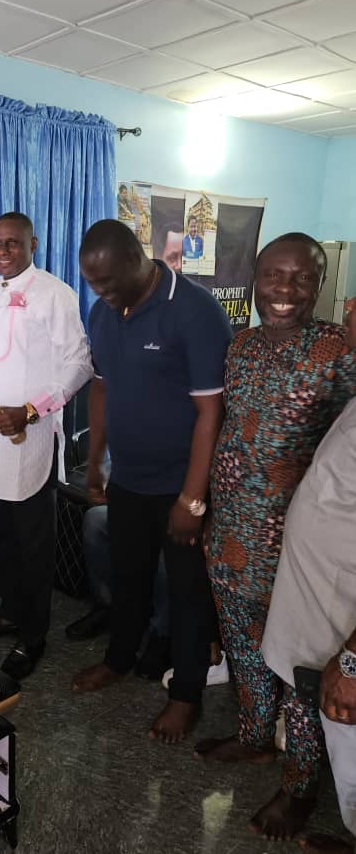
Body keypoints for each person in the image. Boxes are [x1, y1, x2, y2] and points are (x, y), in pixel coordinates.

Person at [197, 233, 356, 841]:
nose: (285, 290)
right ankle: (254, 738)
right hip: (230, 534)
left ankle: (299, 786)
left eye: (302, 278)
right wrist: (209, 512)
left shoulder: (338, 351)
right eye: (273, 275)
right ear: (255, 277)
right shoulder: (240, 346)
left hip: (298, 552)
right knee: (244, 650)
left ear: (320, 285)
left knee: (299, 672)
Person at [73, 219, 231, 744]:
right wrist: (97, 460)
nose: (101, 294)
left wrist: (193, 498)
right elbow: (101, 388)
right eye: (93, 284)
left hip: (181, 484)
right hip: (129, 479)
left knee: (187, 593)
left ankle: (186, 695)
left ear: (136, 260)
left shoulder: (194, 311)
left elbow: (210, 412)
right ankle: (119, 658)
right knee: (128, 577)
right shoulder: (103, 311)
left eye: (108, 282)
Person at [0, 212, 92, 681]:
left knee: (34, 543)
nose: (3, 251)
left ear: (33, 244)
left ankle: (33, 635)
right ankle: (10, 613)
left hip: (31, 436)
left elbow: (79, 364)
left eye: (13, 242)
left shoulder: (55, 293)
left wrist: (32, 410)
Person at [261, 298, 356, 854]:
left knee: (347, 735)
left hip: (344, 626)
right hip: (323, 601)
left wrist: (353, 660)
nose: (349, 305)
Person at [64, 502, 172, 682]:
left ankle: (162, 634)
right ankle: (108, 606)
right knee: (95, 519)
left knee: (165, 549)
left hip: (178, 511)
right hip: (141, 503)